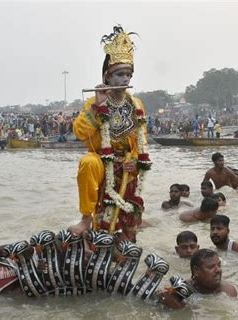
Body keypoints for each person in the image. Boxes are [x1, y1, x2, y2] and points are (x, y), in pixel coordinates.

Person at [68, 26, 150, 243]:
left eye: (128, 75)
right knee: (87, 161)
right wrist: (98, 106)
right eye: (120, 74)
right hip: (102, 166)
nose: (125, 79)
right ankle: (86, 219)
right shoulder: (92, 102)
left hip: (127, 170)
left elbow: (143, 144)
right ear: (107, 77)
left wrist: (134, 160)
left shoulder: (137, 104)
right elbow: (79, 133)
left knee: (126, 233)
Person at [159, 249, 238, 309]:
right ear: (196, 271)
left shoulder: (228, 291)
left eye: (219, 265)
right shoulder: (182, 289)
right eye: (211, 267)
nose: (218, 270)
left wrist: (181, 307)